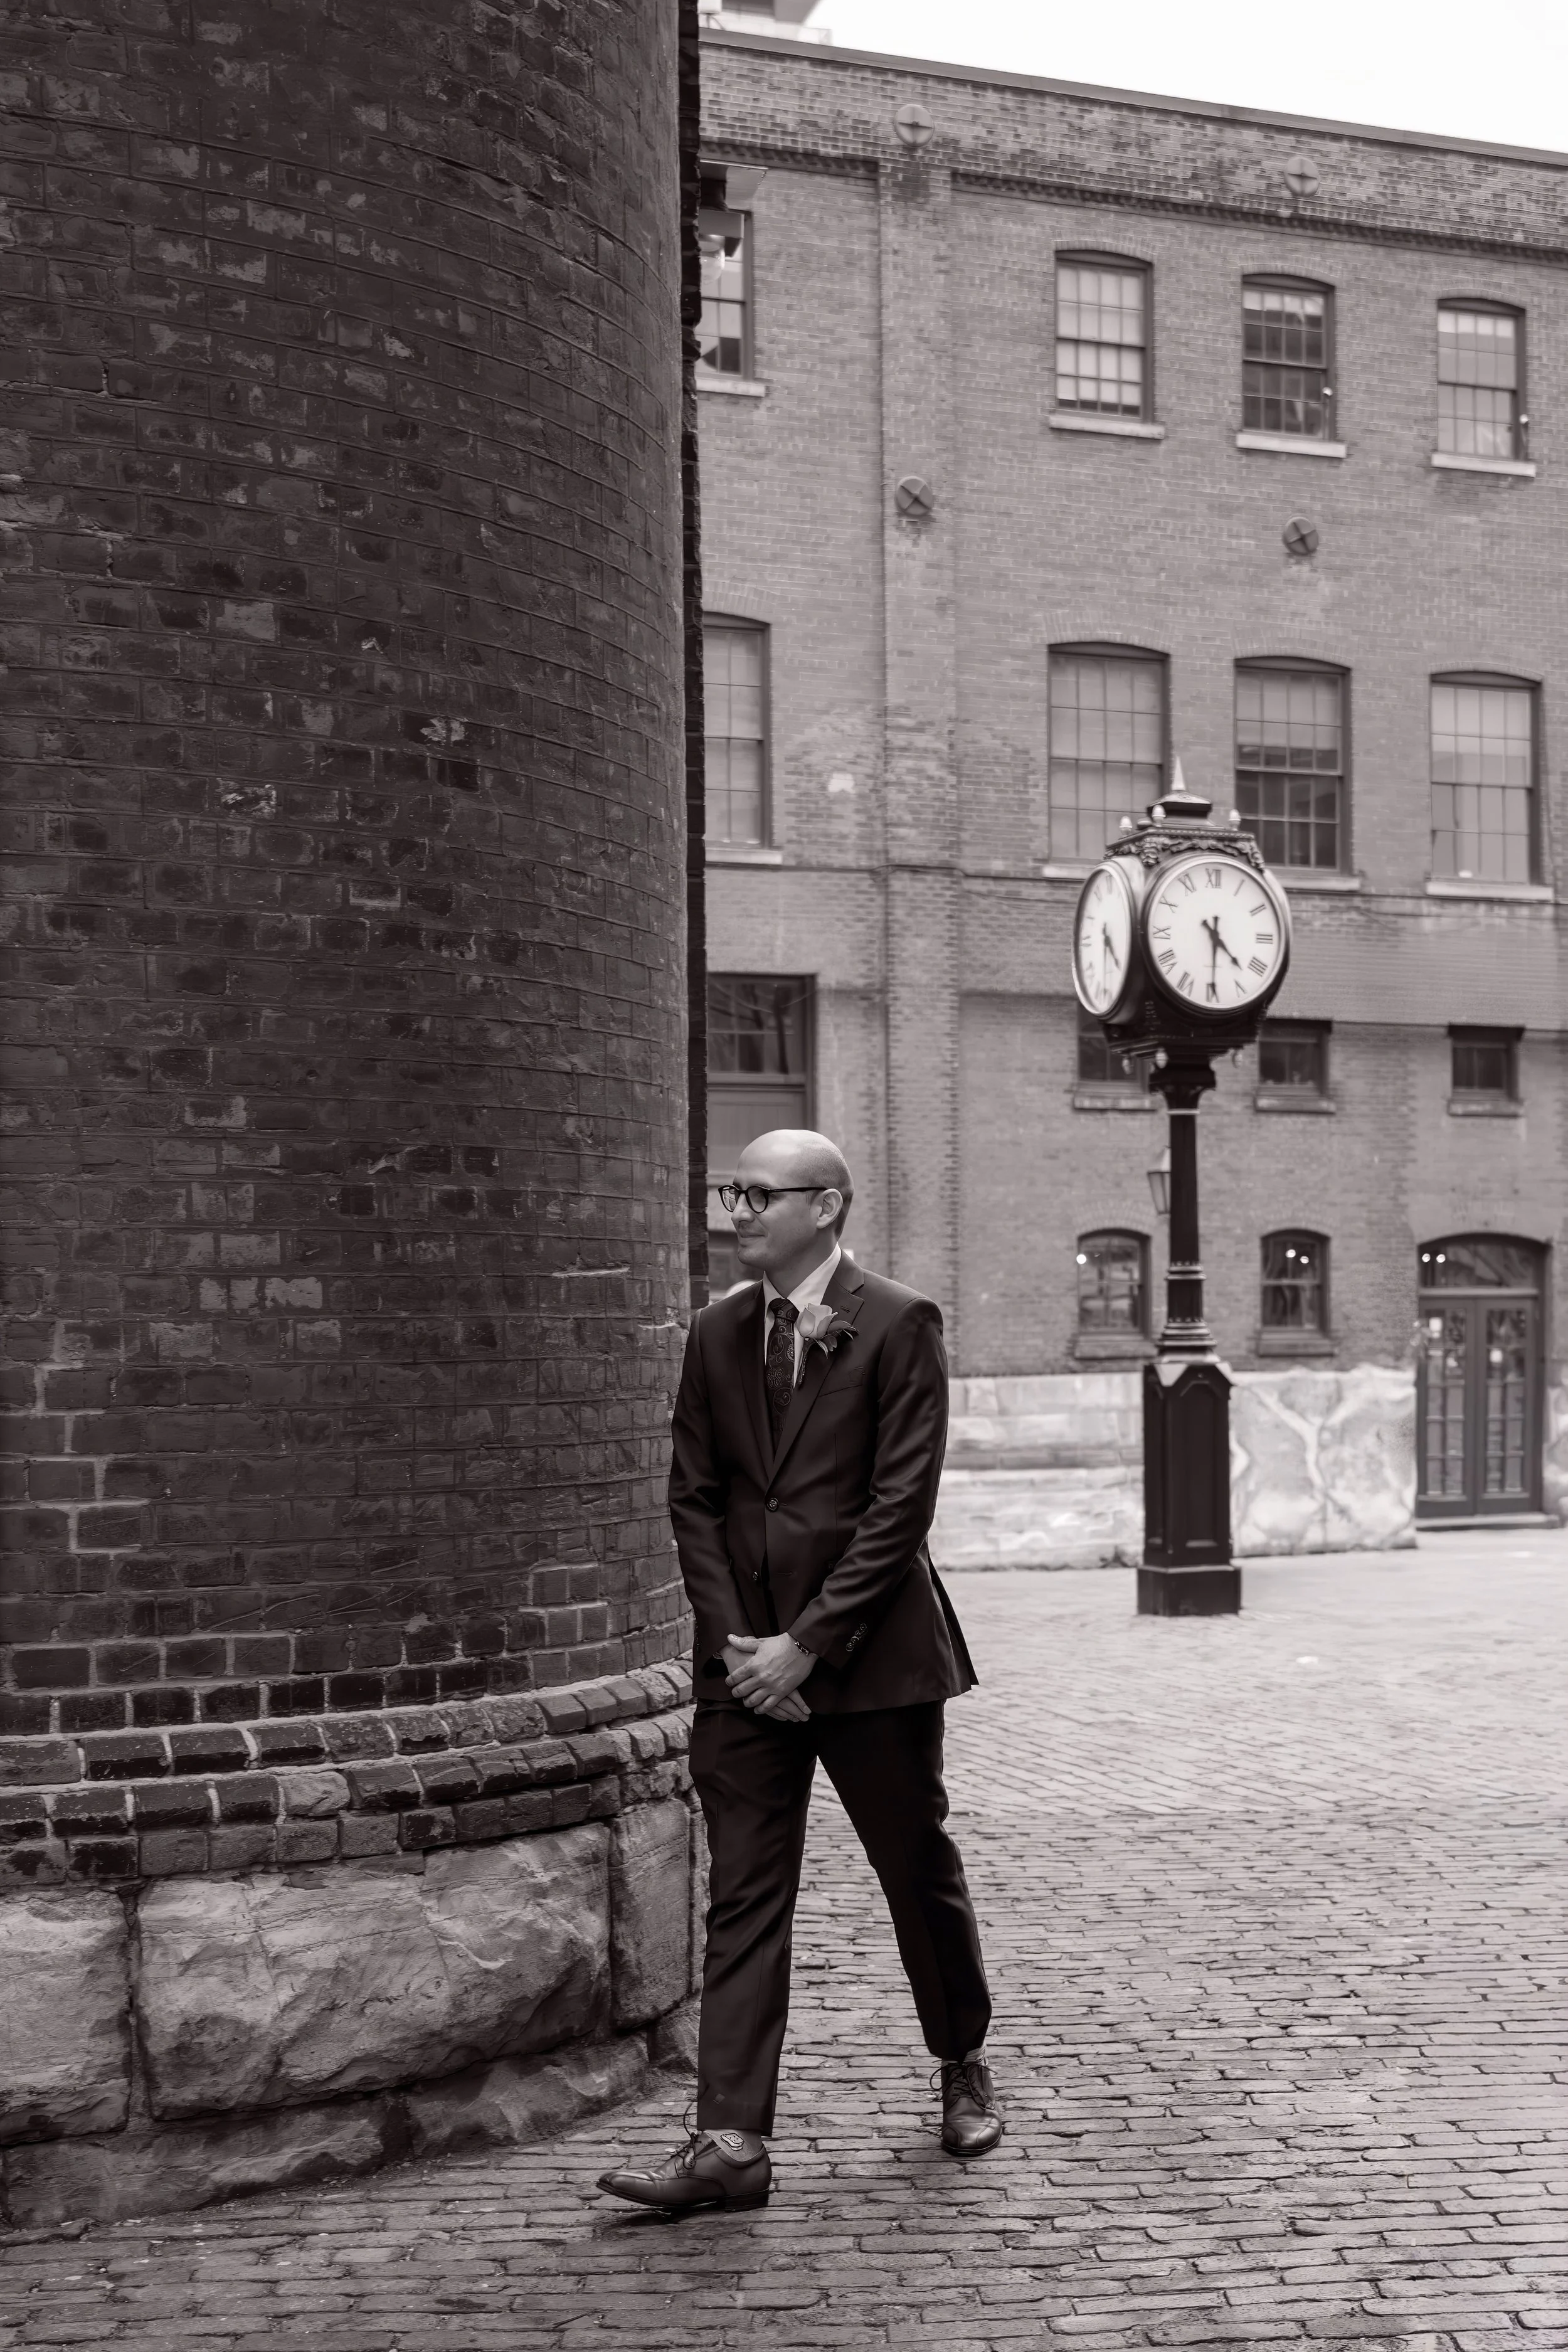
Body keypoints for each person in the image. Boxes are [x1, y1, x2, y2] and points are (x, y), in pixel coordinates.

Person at [598, 1128, 1002, 2215]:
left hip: (871, 1665)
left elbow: (897, 1507)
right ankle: (731, 2142)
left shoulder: (901, 1322)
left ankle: (961, 2058)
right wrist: (740, 1645)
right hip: (743, 1670)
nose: (737, 1208)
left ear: (826, 1207)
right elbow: (694, 1493)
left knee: (913, 1867)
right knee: (744, 1894)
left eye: (760, 1193)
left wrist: (807, 1643)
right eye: (733, 1188)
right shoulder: (715, 1331)